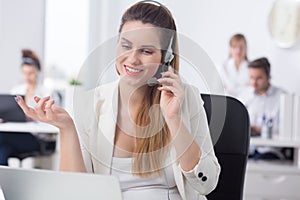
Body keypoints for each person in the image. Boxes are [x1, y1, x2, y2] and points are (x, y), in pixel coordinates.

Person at [15, 2, 220, 199]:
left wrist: (174, 119)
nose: (132, 59)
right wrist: (67, 128)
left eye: (146, 51)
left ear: (165, 58)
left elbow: (206, 183)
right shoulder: (90, 105)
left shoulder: (187, 98)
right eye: (126, 46)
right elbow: (74, 192)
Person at [0, 49, 58, 166]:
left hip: (39, 139)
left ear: (37, 72)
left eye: (30, 73)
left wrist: (35, 116)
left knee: (1, 138)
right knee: (3, 150)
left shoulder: (47, 92)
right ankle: (6, 183)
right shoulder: (16, 91)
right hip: (17, 135)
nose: (27, 77)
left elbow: (54, 119)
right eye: (24, 73)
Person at [238, 57, 287, 159]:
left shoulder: (282, 97)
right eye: (251, 78)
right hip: (248, 148)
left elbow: (286, 131)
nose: (254, 83)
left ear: (268, 77)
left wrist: (261, 130)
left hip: (269, 150)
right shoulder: (245, 95)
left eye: (259, 78)